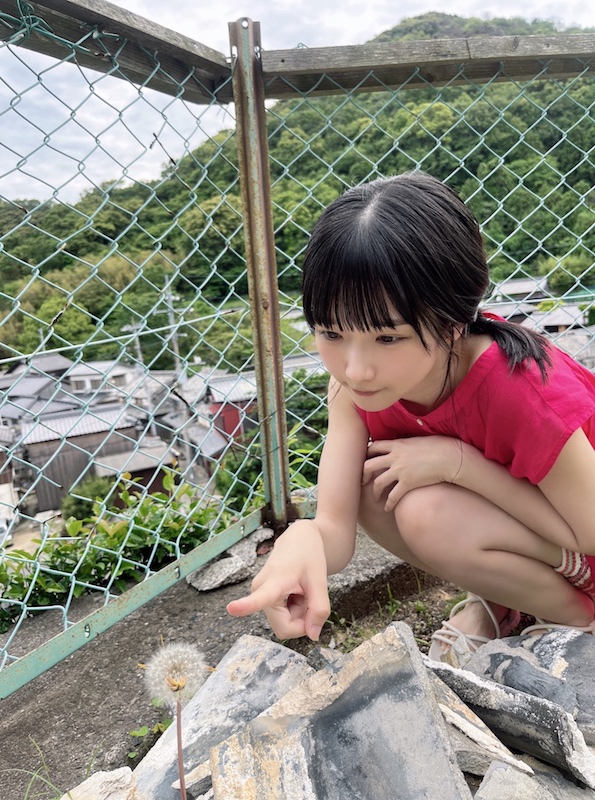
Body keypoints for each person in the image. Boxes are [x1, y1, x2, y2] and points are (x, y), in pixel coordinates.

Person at [226, 171, 595, 664]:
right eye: (331, 333)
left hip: (584, 543)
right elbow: (337, 526)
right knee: (371, 483)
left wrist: (457, 463)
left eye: (388, 337)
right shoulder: (355, 389)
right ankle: (508, 601)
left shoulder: (521, 388)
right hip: (532, 534)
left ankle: (573, 618)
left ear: (453, 323)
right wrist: (302, 542)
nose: (355, 369)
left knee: (425, 513)